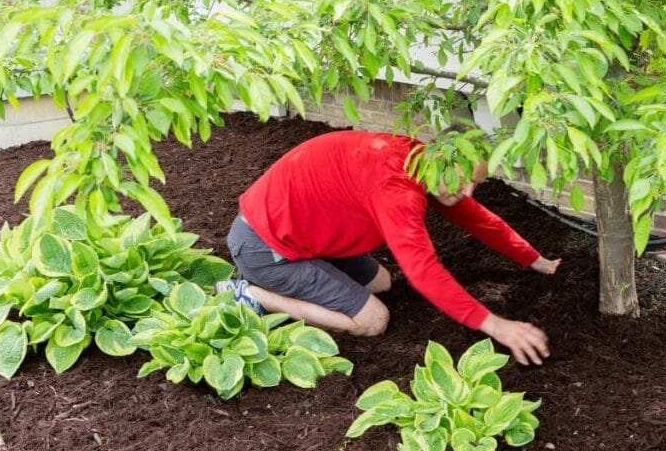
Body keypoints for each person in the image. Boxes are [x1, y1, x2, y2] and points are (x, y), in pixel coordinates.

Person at [217, 129, 561, 365]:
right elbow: (423, 270)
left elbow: (477, 219)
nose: (468, 191)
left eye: (476, 183)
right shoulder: (397, 190)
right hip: (265, 246)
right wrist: (496, 325)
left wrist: (535, 260)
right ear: (441, 157)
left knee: (382, 282)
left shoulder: (421, 159)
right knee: (372, 319)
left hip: (301, 231)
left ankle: (306, 275)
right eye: (464, 179)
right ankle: (253, 296)